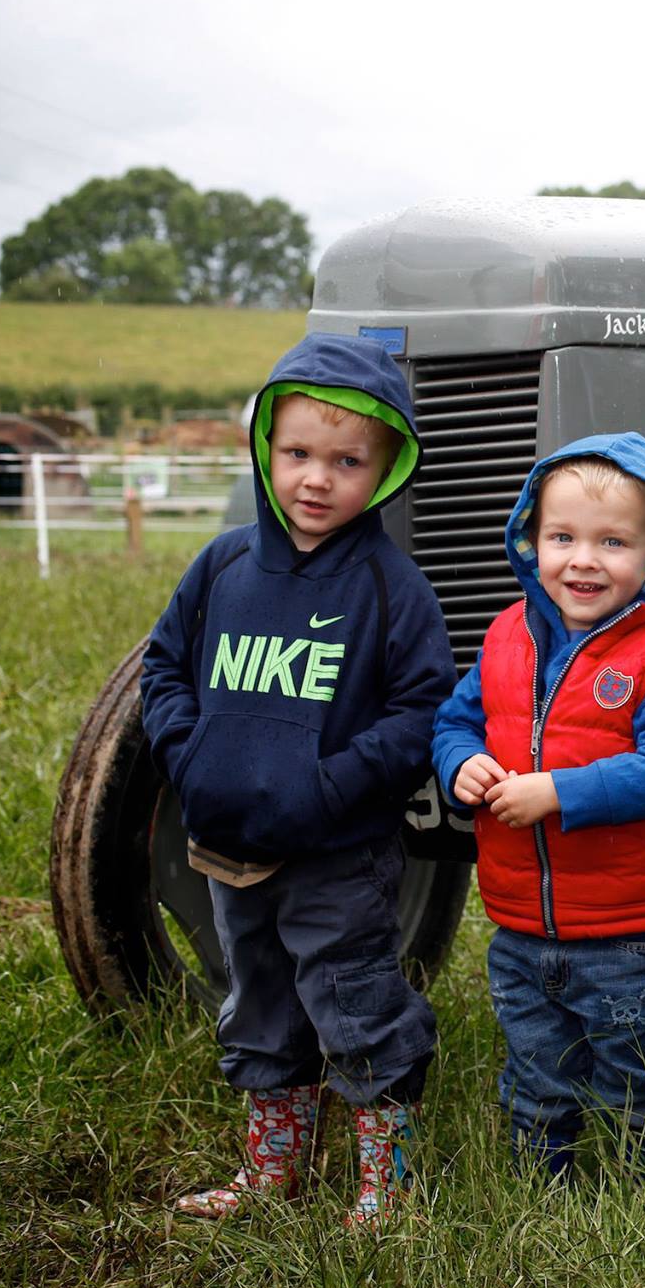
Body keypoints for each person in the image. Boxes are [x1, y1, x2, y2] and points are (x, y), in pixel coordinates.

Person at [140, 332, 454, 1227]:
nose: (317, 479)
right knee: (261, 1000)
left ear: (386, 469)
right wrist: (191, 756)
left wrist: (332, 785)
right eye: (298, 454)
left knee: (351, 998)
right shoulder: (224, 565)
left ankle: (382, 1184)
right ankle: (272, 1168)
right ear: (267, 450)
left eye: (347, 461)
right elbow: (164, 668)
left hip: (335, 852)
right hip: (229, 842)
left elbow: (421, 709)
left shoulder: (391, 587)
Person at [431, 432, 645, 1179]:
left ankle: (642, 1190)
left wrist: (559, 791)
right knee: (535, 1074)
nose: (584, 559)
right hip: (521, 924)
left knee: (632, 1073)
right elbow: (456, 719)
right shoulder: (507, 636)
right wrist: (459, 762)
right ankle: (544, 1191)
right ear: (531, 541)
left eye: (613, 541)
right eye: (562, 536)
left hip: (628, 927)